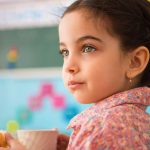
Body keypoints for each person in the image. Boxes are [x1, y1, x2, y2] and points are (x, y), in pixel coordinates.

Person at [0, 0, 150, 149]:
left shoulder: (102, 125)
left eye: (87, 48)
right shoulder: (135, 121)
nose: (69, 66)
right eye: (65, 52)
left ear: (135, 62)